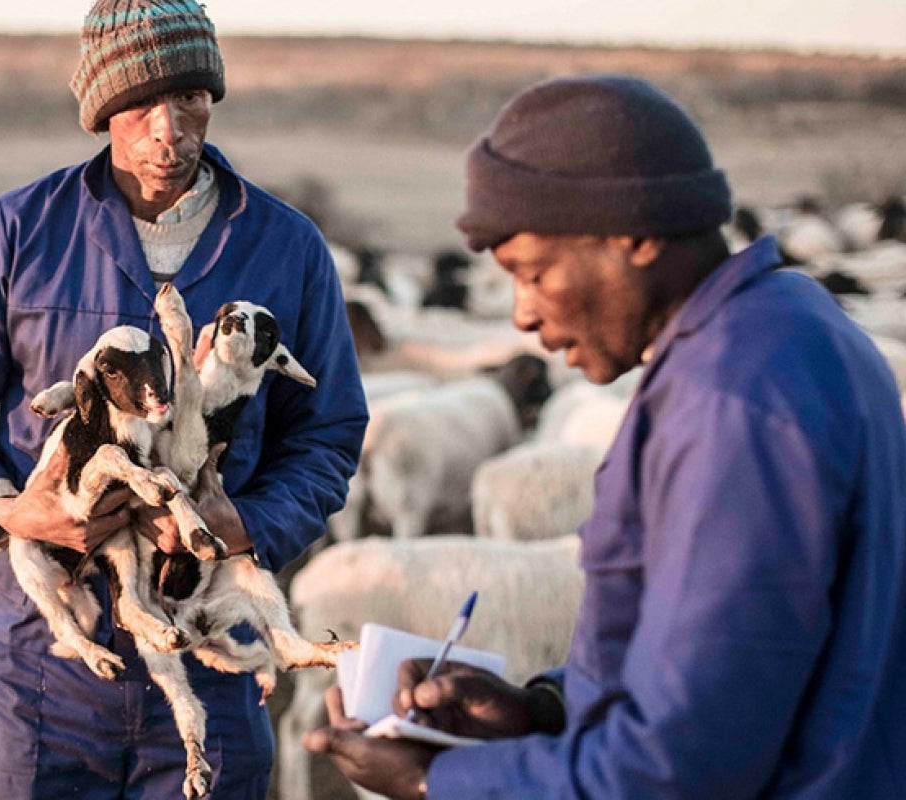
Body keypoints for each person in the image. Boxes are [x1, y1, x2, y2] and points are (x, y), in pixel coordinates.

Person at [304, 73, 906, 799]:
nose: (521, 315)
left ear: (632, 234)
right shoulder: (789, 323)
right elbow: (719, 668)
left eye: (532, 271)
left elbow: (678, 769)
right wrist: (545, 711)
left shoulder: (733, 405)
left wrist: (444, 781)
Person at [0, 1, 367, 797]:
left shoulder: (287, 247)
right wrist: (13, 511)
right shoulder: (14, 233)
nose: (168, 129)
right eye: (140, 103)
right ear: (100, 108)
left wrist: (246, 523)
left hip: (209, 639)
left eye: (190, 99)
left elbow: (327, 435)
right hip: (46, 657)